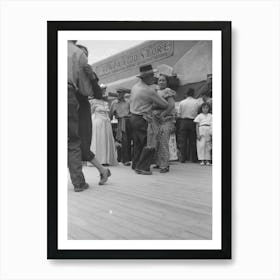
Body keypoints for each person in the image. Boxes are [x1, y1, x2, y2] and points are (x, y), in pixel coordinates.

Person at [68, 41, 111, 192]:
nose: (83, 57)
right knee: (75, 145)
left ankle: (103, 171)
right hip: (74, 106)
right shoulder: (73, 69)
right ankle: (102, 172)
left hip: (83, 108)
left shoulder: (90, 74)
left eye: (85, 55)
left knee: (82, 146)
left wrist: (92, 76)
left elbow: (98, 95)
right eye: (81, 54)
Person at [129, 64, 168, 175]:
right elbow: (164, 104)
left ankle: (136, 164)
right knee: (149, 142)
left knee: (138, 143)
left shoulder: (135, 87)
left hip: (133, 117)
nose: (154, 78)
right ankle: (143, 167)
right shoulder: (148, 90)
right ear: (146, 77)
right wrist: (161, 96)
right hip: (143, 118)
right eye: (152, 76)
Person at [90, 84, 118, 166]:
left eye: (104, 90)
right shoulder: (93, 102)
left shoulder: (105, 102)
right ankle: (98, 159)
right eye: (102, 91)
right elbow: (91, 113)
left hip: (107, 123)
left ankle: (106, 159)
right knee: (99, 140)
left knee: (106, 140)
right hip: (98, 122)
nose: (103, 92)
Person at [153, 74, 176, 173]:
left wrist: (163, 114)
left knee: (163, 141)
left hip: (166, 119)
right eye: (159, 80)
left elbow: (171, 105)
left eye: (163, 80)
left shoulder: (168, 91)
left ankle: (165, 165)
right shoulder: (156, 91)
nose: (161, 82)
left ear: (166, 82)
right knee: (157, 141)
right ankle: (159, 163)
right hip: (156, 120)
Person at [110, 88, 132, 166]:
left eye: (121, 93)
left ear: (124, 94)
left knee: (129, 140)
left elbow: (131, 111)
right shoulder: (114, 103)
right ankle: (124, 160)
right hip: (121, 121)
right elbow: (110, 115)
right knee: (123, 140)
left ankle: (128, 158)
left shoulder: (128, 102)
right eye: (118, 93)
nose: (119, 94)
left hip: (129, 121)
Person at [177, 88, 200, 163]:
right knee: (193, 140)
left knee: (183, 140)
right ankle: (193, 158)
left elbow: (179, 114)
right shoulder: (196, 102)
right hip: (193, 121)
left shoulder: (182, 102)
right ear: (193, 94)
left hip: (183, 122)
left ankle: (182, 158)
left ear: (186, 94)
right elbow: (198, 113)